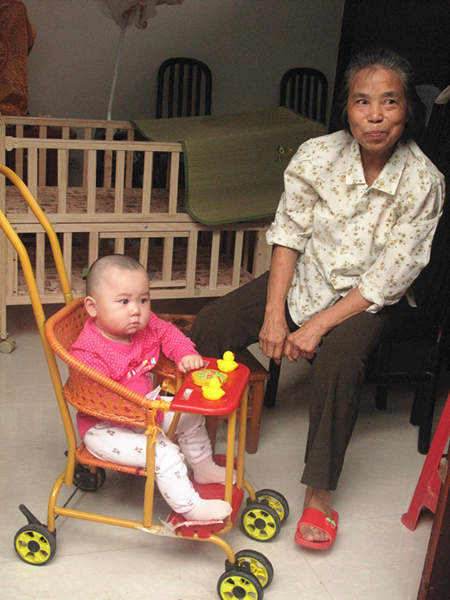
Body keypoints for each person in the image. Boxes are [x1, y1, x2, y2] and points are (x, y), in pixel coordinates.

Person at [190, 48, 445, 549]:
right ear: (346, 108)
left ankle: (319, 494)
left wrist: (315, 326)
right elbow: (289, 236)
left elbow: (389, 278)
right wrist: (273, 319)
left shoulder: (425, 181)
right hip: (307, 276)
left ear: (407, 111)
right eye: (362, 102)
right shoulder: (315, 155)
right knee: (210, 327)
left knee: (337, 363)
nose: (375, 116)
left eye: (389, 103)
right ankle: (229, 421)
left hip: (367, 298)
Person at [71, 254, 232, 524]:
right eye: (124, 301)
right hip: (105, 427)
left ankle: (203, 467)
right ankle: (190, 507)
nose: (136, 310)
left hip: (145, 411)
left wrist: (184, 353)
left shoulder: (142, 326)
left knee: (189, 415)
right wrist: (150, 414)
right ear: (93, 307)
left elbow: (167, 332)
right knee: (164, 453)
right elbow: (100, 400)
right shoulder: (88, 352)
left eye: (143, 300)